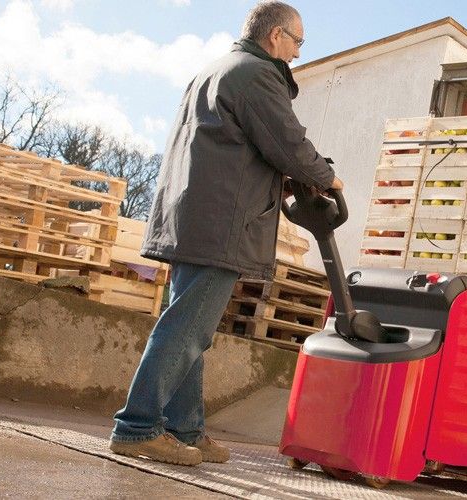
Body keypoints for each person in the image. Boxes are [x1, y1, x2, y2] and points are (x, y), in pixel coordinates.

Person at [109, 1, 343, 466]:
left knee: (192, 328)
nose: (298, 53)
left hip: (192, 215)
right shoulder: (256, 75)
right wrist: (327, 177)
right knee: (185, 328)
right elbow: (286, 142)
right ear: (276, 36)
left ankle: (185, 428)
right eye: (298, 41)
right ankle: (136, 427)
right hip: (220, 222)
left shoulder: (215, 70)